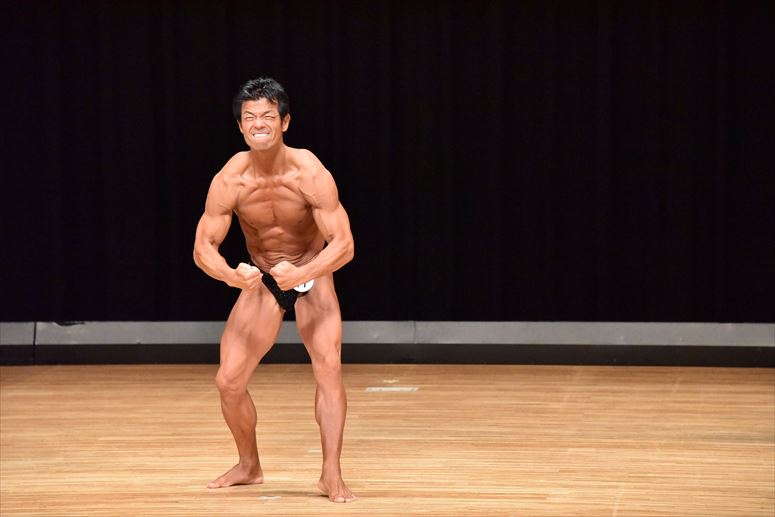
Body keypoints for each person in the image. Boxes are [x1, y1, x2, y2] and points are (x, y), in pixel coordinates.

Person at [193, 77, 356, 503]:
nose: (259, 123)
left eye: (268, 115)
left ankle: (331, 473)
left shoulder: (310, 173)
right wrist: (230, 276)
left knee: (329, 369)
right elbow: (203, 248)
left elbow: (344, 245)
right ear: (240, 127)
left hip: (313, 270)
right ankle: (249, 465)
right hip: (263, 278)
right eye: (250, 117)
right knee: (228, 381)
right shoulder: (230, 179)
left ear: (284, 122)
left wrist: (307, 269)